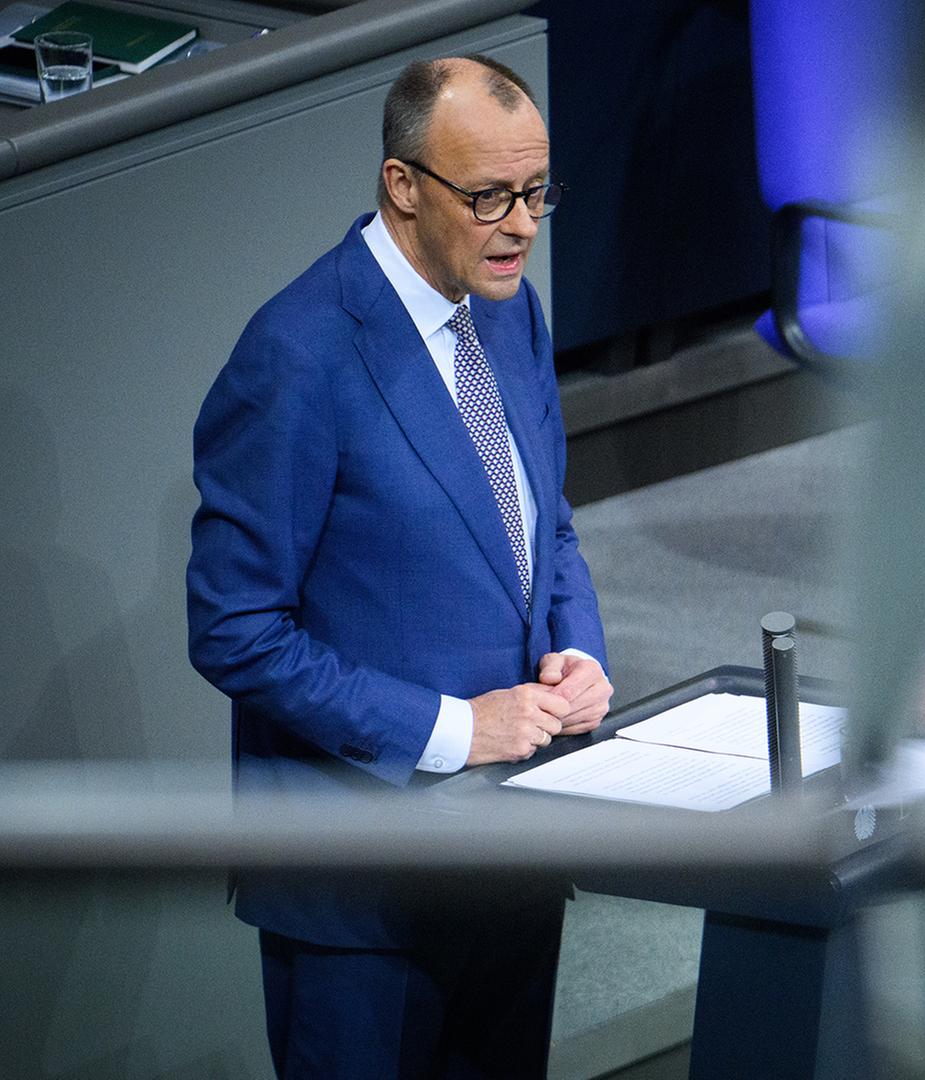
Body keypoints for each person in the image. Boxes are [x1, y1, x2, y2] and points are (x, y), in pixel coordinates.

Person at [187, 55, 612, 1078]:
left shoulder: (507, 307)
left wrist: (578, 651)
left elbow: (546, 524)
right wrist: (456, 731)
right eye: (489, 196)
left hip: (512, 855)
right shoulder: (296, 355)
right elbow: (234, 629)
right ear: (403, 184)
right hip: (360, 908)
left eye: (537, 191)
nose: (521, 224)